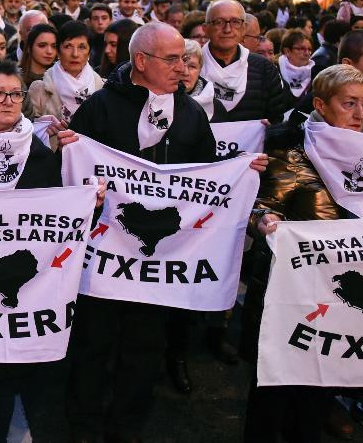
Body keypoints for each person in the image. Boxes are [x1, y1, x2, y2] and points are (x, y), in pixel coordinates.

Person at [65, 22, 266, 442]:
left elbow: (208, 180)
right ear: (141, 61)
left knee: (143, 353)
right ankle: (83, 427)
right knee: (92, 347)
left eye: (185, 59)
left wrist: (240, 173)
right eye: (172, 59)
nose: (183, 67)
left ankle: (126, 429)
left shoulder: (190, 113)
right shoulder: (100, 108)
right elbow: (71, 176)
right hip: (103, 260)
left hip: (159, 261)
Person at [242, 65, 363, 443]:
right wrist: (264, 218)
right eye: (349, 104)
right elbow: (259, 205)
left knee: (319, 388)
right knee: (273, 392)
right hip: (291, 294)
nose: (360, 114)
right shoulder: (291, 152)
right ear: (320, 104)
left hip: (341, 300)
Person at [199, 0, 293, 122]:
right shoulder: (188, 66)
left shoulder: (264, 68)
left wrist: (272, 131)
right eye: (219, 22)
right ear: (206, 29)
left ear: (243, 29)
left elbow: (276, 119)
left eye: (235, 22)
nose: (227, 29)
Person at [28, 19, 103, 139]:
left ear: (89, 53)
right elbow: (28, 134)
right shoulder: (39, 88)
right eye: (68, 46)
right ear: (58, 51)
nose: (75, 54)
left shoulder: (102, 88)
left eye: (82, 47)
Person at [278, 29, 315, 102]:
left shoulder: (315, 73)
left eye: (309, 49)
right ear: (287, 51)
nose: (307, 53)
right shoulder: (275, 70)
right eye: (302, 49)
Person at [18, 23, 57, 89]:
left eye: (54, 46)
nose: (49, 51)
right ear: (29, 48)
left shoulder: (62, 77)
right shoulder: (15, 77)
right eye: (42, 46)